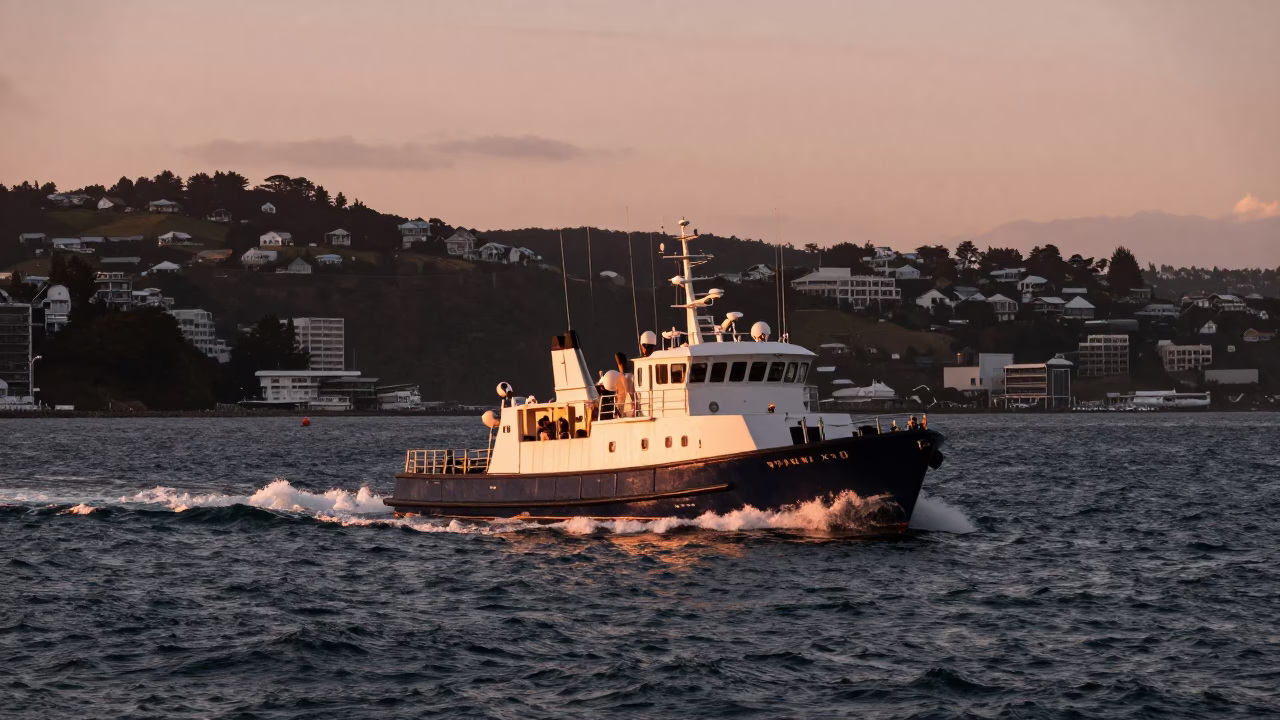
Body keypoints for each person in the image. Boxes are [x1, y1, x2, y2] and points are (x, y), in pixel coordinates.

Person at [614, 352, 636, 417]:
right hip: (620, 403)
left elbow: (627, 391)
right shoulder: (622, 376)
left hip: (622, 404)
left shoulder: (623, 376)